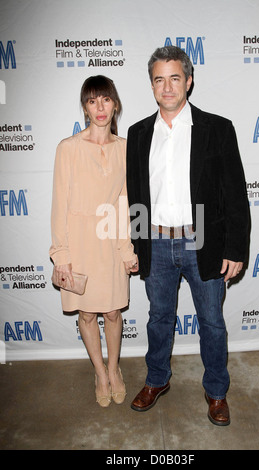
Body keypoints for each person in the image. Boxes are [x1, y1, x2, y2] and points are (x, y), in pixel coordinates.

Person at [126, 46, 250, 425]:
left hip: (203, 241)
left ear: (189, 81)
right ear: (151, 85)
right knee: (158, 317)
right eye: (159, 79)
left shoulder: (217, 128)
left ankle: (216, 392)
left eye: (175, 78)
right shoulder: (138, 133)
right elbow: (136, 194)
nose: (167, 87)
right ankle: (157, 380)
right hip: (157, 242)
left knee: (212, 322)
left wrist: (234, 247)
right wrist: (137, 245)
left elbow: (235, 193)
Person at [50, 75, 138, 408]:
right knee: (86, 315)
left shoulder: (125, 148)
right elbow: (60, 204)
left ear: (115, 104)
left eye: (105, 99)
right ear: (85, 107)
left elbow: (125, 203)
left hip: (110, 240)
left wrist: (127, 250)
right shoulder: (68, 148)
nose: (99, 107)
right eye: (92, 100)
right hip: (80, 243)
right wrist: (62, 254)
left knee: (113, 312)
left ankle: (114, 370)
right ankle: (100, 374)